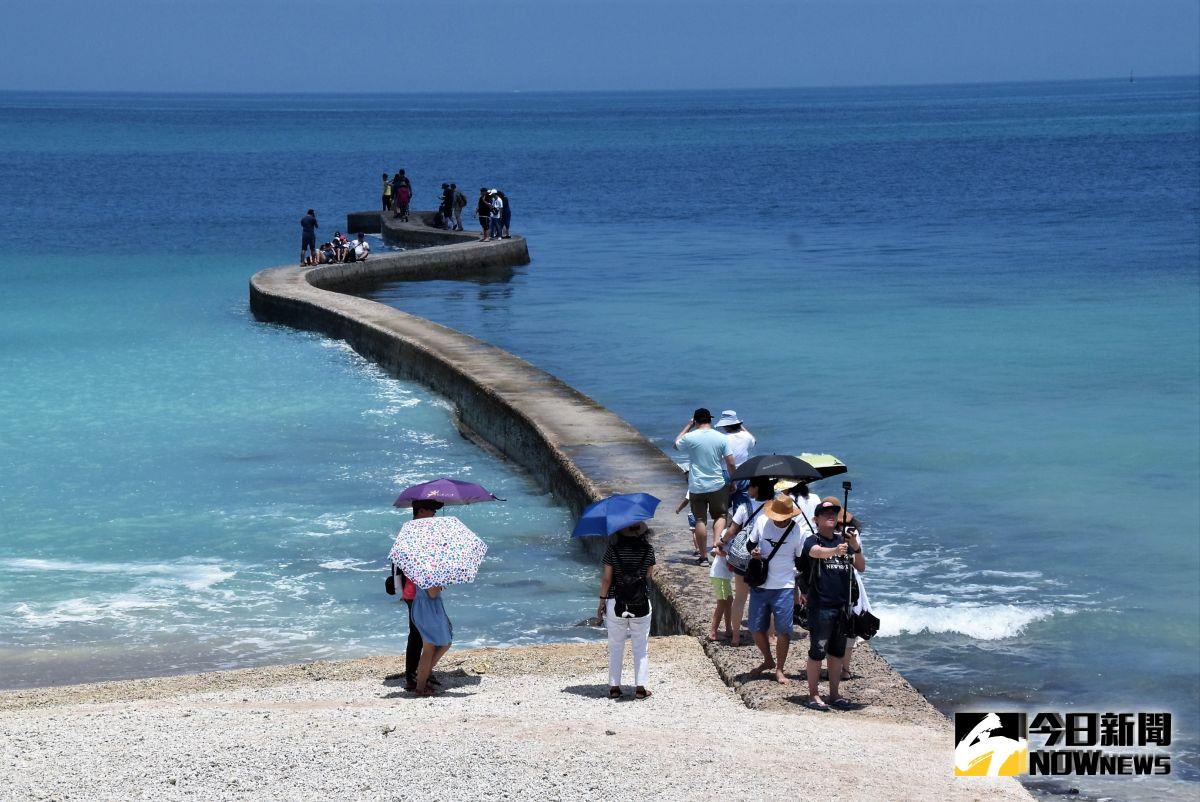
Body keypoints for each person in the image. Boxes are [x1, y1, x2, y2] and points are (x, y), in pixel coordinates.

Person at [797, 498, 866, 711]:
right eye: (825, 514)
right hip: (821, 606)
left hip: (842, 607)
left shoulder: (843, 541)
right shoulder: (812, 540)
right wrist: (836, 550)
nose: (830, 516)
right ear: (816, 519)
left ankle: (834, 694)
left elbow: (861, 567)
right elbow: (815, 552)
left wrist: (855, 547)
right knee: (817, 651)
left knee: (837, 653)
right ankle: (813, 695)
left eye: (834, 514)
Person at [745, 494, 806, 684]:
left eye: (783, 518)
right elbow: (750, 544)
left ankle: (780, 669)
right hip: (761, 584)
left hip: (784, 586)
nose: (779, 521)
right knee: (755, 627)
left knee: (784, 630)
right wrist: (754, 553)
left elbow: (800, 561)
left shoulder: (798, 531)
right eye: (776, 517)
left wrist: (802, 590)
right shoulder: (762, 521)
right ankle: (768, 660)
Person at [595, 520, 656, 700]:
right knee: (641, 646)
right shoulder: (648, 550)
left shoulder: (612, 550)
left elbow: (607, 579)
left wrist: (601, 602)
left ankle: (614, 687)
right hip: (640, 601)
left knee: (615, 645)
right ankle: (640, 689)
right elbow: (648, 575)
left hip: (616, 601)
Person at [715, 476, 775, 646]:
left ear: (756, 488)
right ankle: (771, 635)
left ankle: (735, 636)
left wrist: (721, 542)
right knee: (767, 596)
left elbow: (731, 531)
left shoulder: (744, 506)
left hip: (744, 557)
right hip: (766, 556)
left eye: (750, 486)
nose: (748, 489)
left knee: (740, 598)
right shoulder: (774, 507)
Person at [673, 408, 735, 565]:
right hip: (717, 484)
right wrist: (733, 481)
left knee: (700, 520)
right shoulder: (721, 438)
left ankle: (703, 557)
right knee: (720, 515)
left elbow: (676, 445)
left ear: (695, 421)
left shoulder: (690, 437)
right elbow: (731, 463)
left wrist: (688, 426)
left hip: (697, 485)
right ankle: (716, 545)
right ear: (710, 420)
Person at [396, 499, 444, 691]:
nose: (434, 514)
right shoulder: (413, 532)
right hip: (415, 591)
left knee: (423, 633)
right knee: (419, 635)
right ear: (421, 510)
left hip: (418, 589)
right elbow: (406, 562)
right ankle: (414, 676)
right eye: (432, 510)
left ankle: (421, 672)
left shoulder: (418, 531)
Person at [716, 410, 755, 509]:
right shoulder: (746, 436)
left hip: (726, 474)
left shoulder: (722, 439)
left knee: (723, 507)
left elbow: (726, 462)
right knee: (742, 506)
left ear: (726, 425)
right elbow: (754, 441)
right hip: (744, 473)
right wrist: (740, 425)